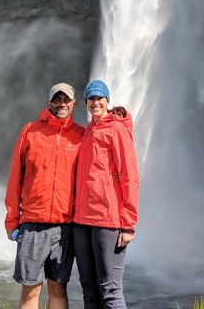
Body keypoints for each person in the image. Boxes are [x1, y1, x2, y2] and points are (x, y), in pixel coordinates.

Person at [5, 82, 85, 309]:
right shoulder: (30, 131)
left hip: (65, 227)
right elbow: (14, 179)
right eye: (57, 100)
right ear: (48, 103)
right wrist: (12, 220)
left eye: (66, 100)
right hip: (32, 225)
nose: (61, 104)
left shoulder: (81, 136)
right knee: (30, 290)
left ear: (73, 104)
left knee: (58, 289)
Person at [73, 79, 139, 309]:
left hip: (107, 221)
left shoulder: (117, 130)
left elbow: (130, 177)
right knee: (89, 290)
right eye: (91, 98)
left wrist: (128, 224)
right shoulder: (89, 130)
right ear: (85, 103)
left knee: (110, 290)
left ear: (107, 100)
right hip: (81, 221)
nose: (95, 103)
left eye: (100, 98)